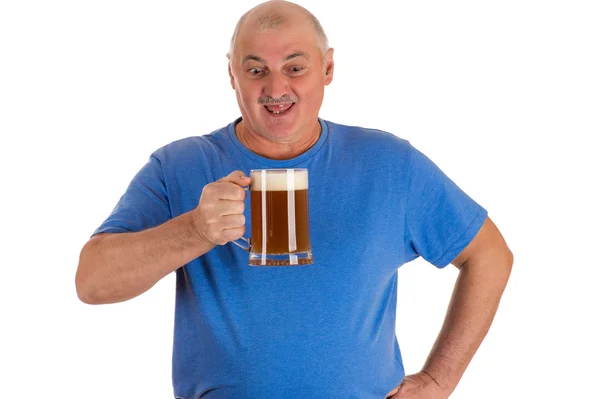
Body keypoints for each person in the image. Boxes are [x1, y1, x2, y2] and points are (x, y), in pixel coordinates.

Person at [75, 1, 513, 398]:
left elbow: (489, 255)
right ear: (232, 74)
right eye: (255, 70)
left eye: (295, 67)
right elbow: (92, 283)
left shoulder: (389, 164)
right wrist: (193, 230)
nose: (275, 87)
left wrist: (439, 380)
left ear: (328, 69)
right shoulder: (179, 165)